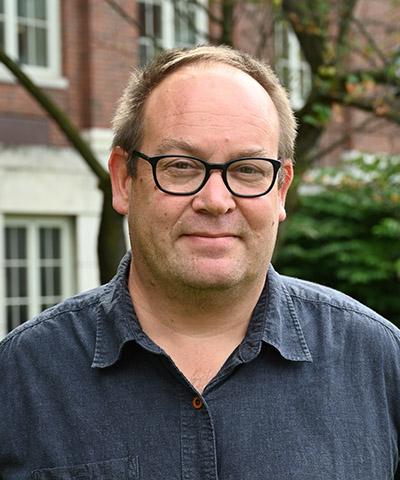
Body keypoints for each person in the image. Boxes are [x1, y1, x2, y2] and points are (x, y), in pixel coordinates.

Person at [0, 45, 399, 479]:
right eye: (182, 166)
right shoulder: (21, 378)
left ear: (281, 189)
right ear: (123, 180)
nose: (215, 201)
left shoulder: (380, 363)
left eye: (248, 169)